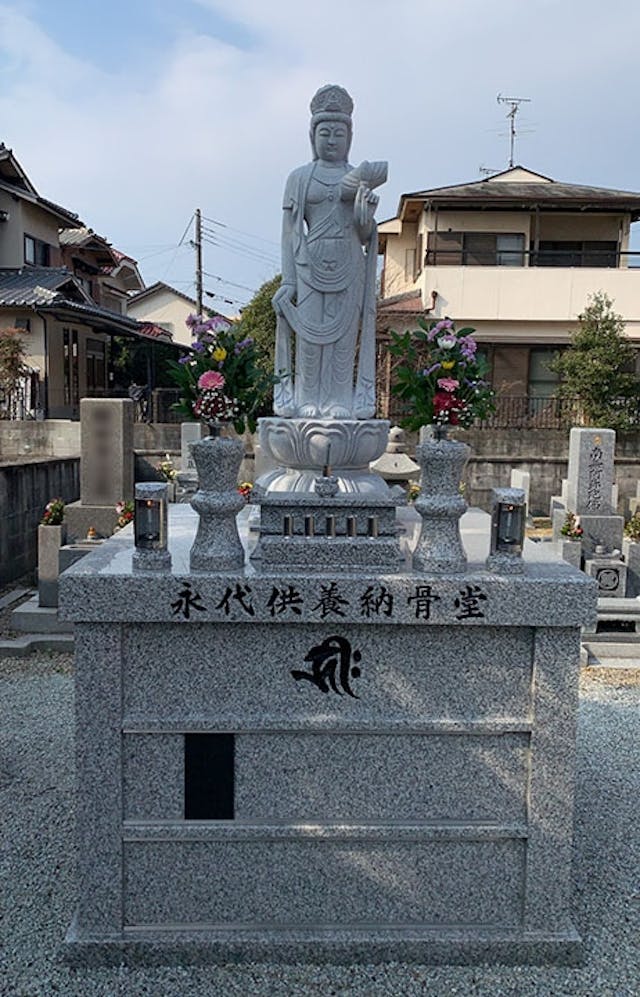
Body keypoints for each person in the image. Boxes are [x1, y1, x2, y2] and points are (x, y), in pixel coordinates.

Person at [272, 84, 387, 419]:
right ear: (313, 136)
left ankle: (338, 400)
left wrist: (365, 218)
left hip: (349, 262)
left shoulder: (357, 178)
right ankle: (308, 399)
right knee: (310, 339)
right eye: (325, 133)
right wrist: (288, 281)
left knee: (340, 340)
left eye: (339, 133)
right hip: (309, 265)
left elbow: (364, 234)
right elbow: (290, 232)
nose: (332, 140)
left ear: (349, 138)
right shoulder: (299, 178)